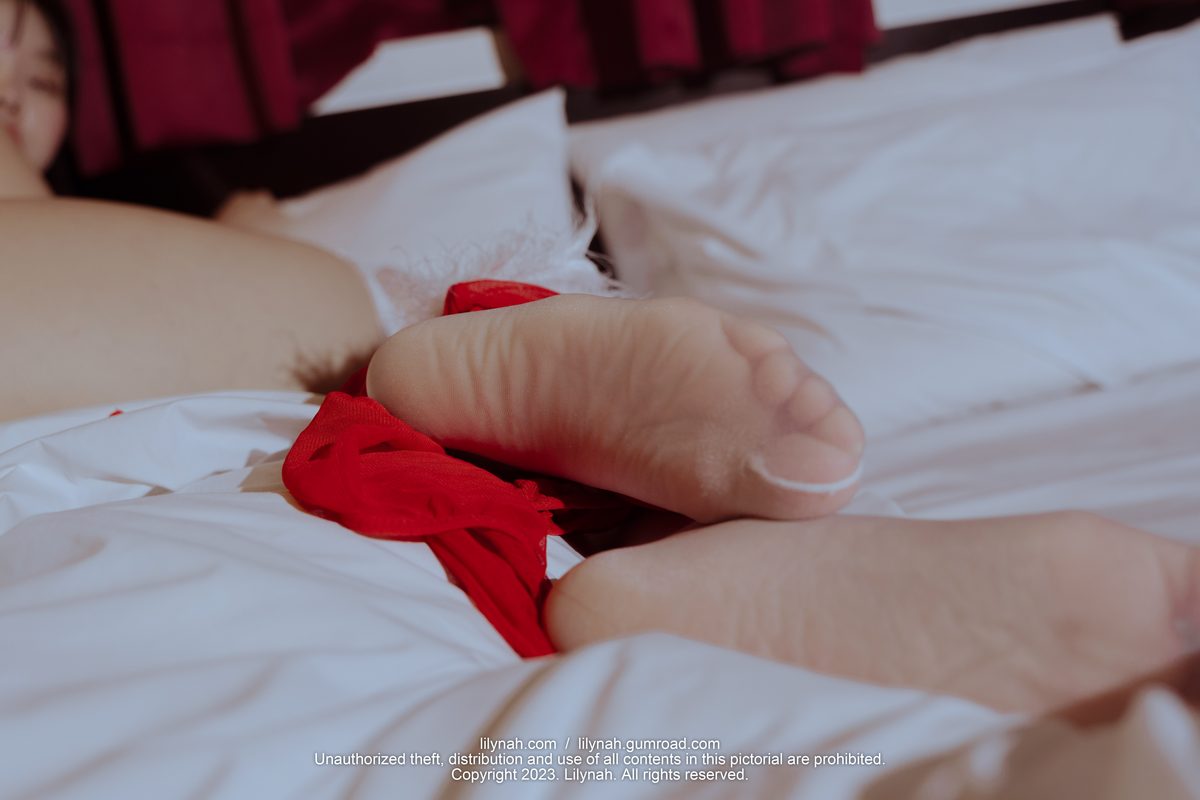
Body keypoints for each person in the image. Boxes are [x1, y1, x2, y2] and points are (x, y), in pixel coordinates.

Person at [1, 0, 1196, 723]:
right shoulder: (177, 237)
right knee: (345, 409)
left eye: (43, 78)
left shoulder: (147, 236)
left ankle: (541, 453)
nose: (16, 88)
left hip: (200, 369)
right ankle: (605, 520)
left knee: (316, 413)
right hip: (247, 363)